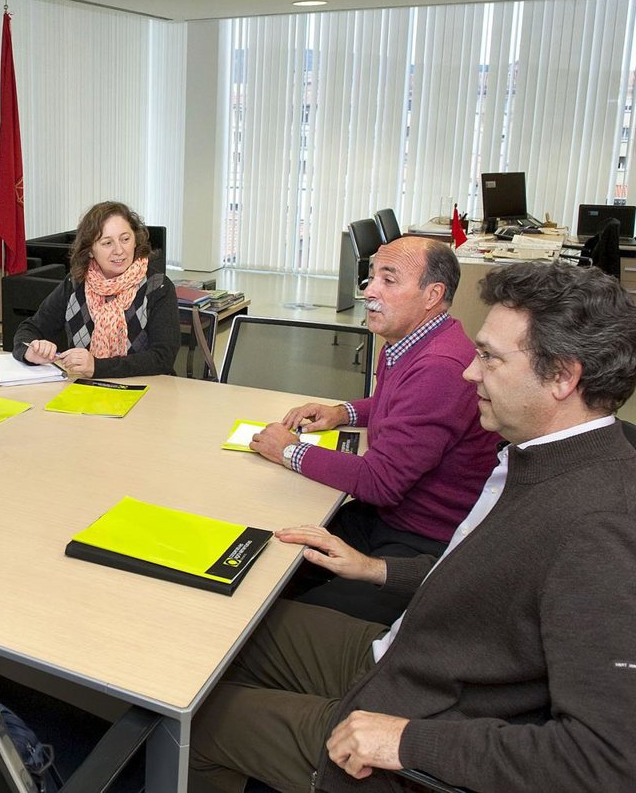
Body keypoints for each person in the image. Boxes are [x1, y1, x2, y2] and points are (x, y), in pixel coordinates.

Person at [189, 260, 636, 793]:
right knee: (215, 640)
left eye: (490, 358)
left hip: (419, 716)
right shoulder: (539, 458)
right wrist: (377, 569)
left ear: (563, 376)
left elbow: (608, 761)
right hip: (410, 655)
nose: (470, 372)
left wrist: (406, 742)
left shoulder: (601, 528)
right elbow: (490, 583)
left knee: (194, 722)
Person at [249, 237, 500, 623]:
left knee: (278, 610)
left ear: (432, 294)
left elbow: (380, 482)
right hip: (391, 516)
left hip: (418, 541)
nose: (370, 291)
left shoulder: (440, 367)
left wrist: (288, 450)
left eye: (389, 279)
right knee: (270, 562)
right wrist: (342, 413)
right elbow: (399, 406)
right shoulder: (415, 341)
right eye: (371, 278)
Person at [12, 201, 179, 379]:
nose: (119, 250)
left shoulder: (158, 286)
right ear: (90, 250)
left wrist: (97, 366)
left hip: (150, 391)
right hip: (88, 391)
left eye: (125, 239)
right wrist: (29, 351)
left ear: (135, 240)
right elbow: (29, 328)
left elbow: (163, 358)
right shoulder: (76, 284)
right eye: (107, 243)